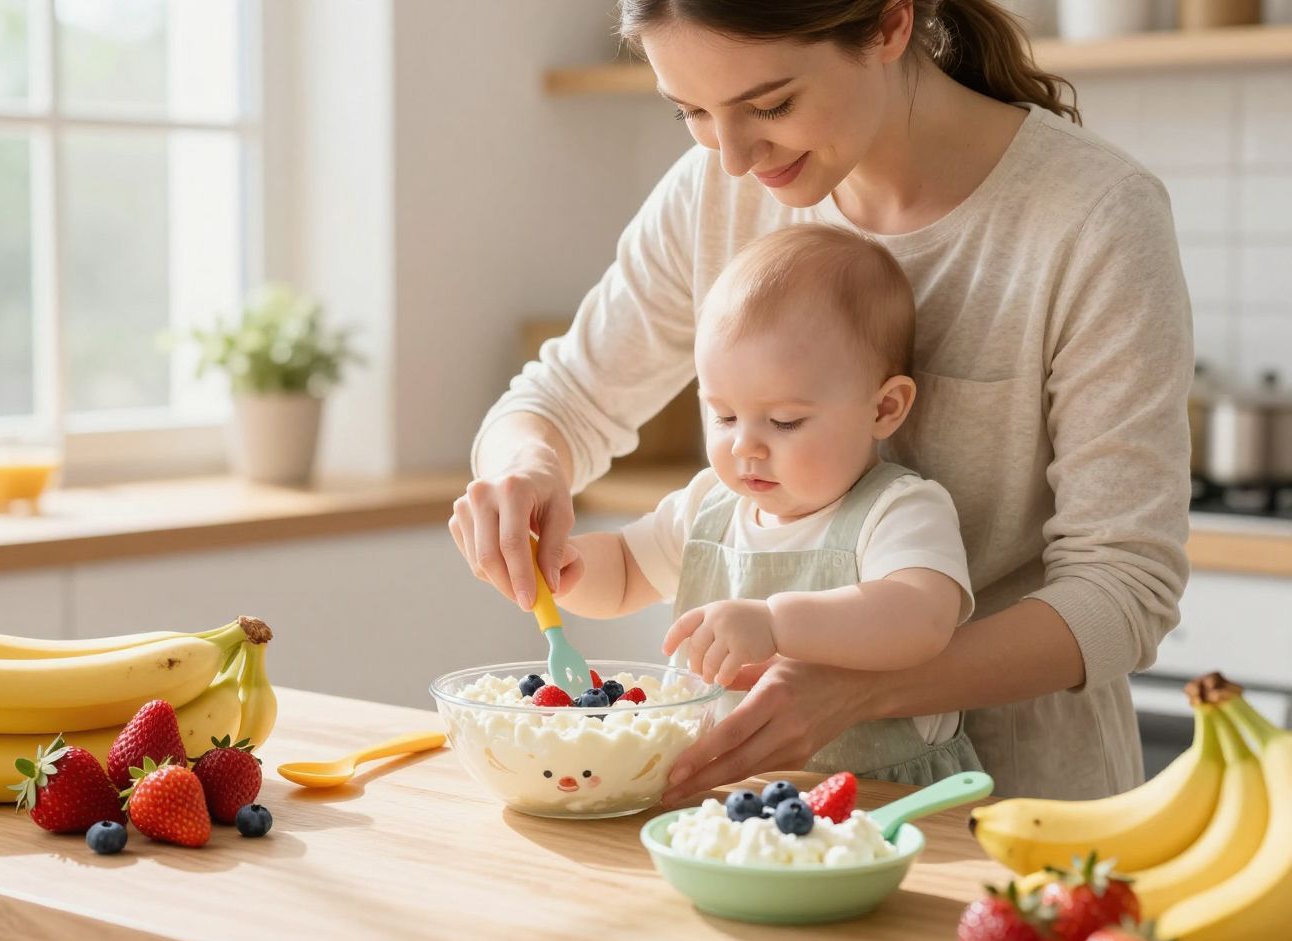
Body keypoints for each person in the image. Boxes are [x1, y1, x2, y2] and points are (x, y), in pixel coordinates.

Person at [449, 0, 1191, 801]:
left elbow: (1122, 590)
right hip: (755, 813)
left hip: (1015, 810)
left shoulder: (1092, 217)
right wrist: (522, 470)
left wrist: (869, 686)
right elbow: (558, 400)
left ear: (888, 25)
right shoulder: (713, 192)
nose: (732, 158)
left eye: (770, 105)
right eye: (691, 111)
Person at [554, 223, 981, 785]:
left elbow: (920, 619)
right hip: (734, 799)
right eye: (724, 415)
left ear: (884, 409)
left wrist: (777, 622)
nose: (744, 446)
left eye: (784, 421)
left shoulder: (899, 510)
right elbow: (627, 571)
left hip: (883, 808)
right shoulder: (709, 505)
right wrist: (564, 566)